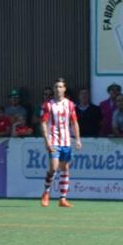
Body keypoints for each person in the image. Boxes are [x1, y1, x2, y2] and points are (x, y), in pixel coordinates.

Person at [39, 77, 81, 208]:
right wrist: (47, 141)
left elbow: (74, 122)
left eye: (60, 87)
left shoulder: (70, 104)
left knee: (65, 168)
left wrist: (77, 139)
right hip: (53, 140)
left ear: (64, 89)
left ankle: (62, 198)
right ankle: (46, 192)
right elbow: (43, 123)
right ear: (54, 89)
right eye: (56, 87)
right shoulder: (48, 105)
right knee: (53, 168)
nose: (58, 89)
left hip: (66, 141)